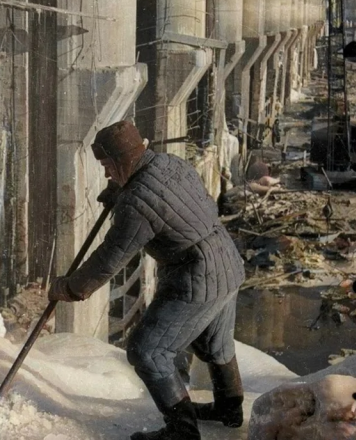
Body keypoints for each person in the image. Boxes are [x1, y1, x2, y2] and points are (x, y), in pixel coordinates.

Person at [48, 121, 245, 440]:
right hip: (227, 260)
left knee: (148, 350)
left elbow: (110, 258)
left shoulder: (137, 203)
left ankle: (181, 432)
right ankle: (229, 407)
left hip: (198, 275)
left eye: (107, 166)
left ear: (120, 160)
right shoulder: (170, 163)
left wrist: (71, 287)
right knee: (214, 342)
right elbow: (192, 202)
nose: (107, 173)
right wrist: (121, 189)